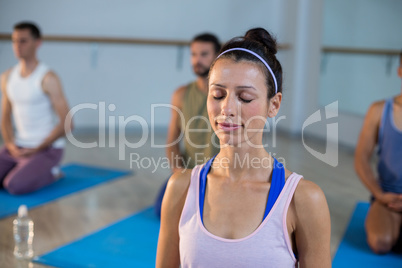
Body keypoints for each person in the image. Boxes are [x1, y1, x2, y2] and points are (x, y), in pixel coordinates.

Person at [156, 28, 331, 267]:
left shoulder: (303, 199)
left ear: (274, 105)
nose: (227, 109)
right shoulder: (180, 188)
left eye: (245, 98)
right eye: (217, 95)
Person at [0, 22, 73, 195]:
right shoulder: (7, 77)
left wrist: (38, 148)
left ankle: (52, 172)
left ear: (37, 43)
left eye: (23, 41)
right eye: (15, 41)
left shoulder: (48, 78)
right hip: (18, 146)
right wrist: (10, 144)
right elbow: (4, 117)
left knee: (13, 185)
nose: (18, 46)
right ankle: (20, 166)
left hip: (47, 149)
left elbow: (68, 123)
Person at [153, 33, 221, 217]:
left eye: (204, 54)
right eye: (193, 54)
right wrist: (181, 175)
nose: (197, 60)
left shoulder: (227, 95)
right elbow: (172, 143)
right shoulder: (181, 95)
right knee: (162, 209)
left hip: (221, 178)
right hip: (190, 173)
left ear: (217, 56)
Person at [354, 51, 402, 254]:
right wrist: (379, 194)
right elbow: (361, 158)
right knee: (380, 243)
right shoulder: (379, 110)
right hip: (387, 196)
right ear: (400, 70)